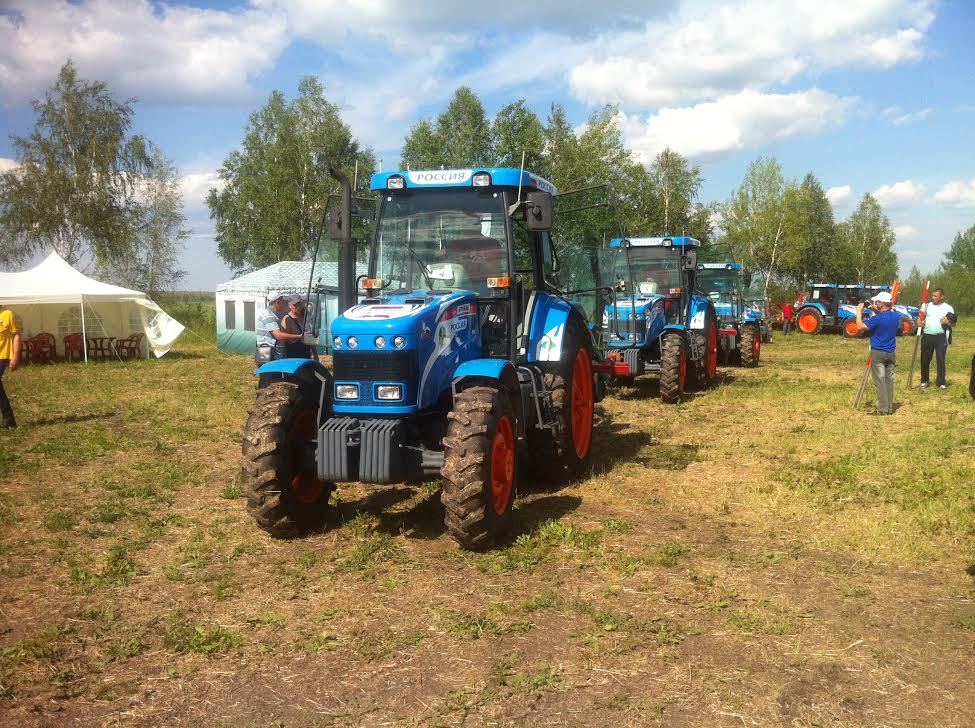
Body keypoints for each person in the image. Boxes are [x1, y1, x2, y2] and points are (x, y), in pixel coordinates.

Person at [856, 291, 901, 416]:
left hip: (878, 353)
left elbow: (860, 327)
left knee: (880, 381)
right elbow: (885, 318)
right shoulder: (896, 316)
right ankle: (889, 407)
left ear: (881, 303)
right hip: (891, 352)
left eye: (877, 302)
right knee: (889, 381)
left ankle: (882, 409)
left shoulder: (877, 319)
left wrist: (859, 311)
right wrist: (873, 308)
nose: (875, 303)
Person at [919, 287, 955, 390]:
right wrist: (919, 322)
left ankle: (941, 382)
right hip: (927, 335)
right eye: (932, 295)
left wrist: (947, 322)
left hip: (941, 336)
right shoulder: (926, 306)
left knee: (940, 359)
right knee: (925, 359)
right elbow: (920, 318)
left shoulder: (948, 308)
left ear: (942, 296)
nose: (933, 297)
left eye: (935, 296)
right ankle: (924, 381)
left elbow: (953, 323)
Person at [256, 290, 303, 363]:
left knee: (273, 373)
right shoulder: (268, 315)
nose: (284, 303)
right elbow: (277, 335)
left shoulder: (273, 314)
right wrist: (299, 336)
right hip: (265, 351)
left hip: (269, 352)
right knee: (267, 372)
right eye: (282, 301)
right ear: (277, 302)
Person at [0, 304, 22, 428]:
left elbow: (16, 335)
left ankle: (8, 418)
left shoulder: (8, 314)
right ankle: (9, 420)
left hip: (2, 356)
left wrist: (15, 356)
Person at [281, 294, 317, 360]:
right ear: (289, 305)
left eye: (299, 304)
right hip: (293, 356)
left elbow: (310, 337)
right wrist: (299, 337)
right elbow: (284, 339)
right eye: (295, 305)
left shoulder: (305, 317)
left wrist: (315, 354)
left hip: (306, 354)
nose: (298, 307)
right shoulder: (287, 319)